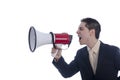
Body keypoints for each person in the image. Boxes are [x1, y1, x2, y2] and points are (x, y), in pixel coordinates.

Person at [51, 17, 120, 80]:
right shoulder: (80, 54)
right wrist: (58, 57)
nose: (77, 32)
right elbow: (67, 72)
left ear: (91, 32)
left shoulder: (112, 52)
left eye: (81, 29)